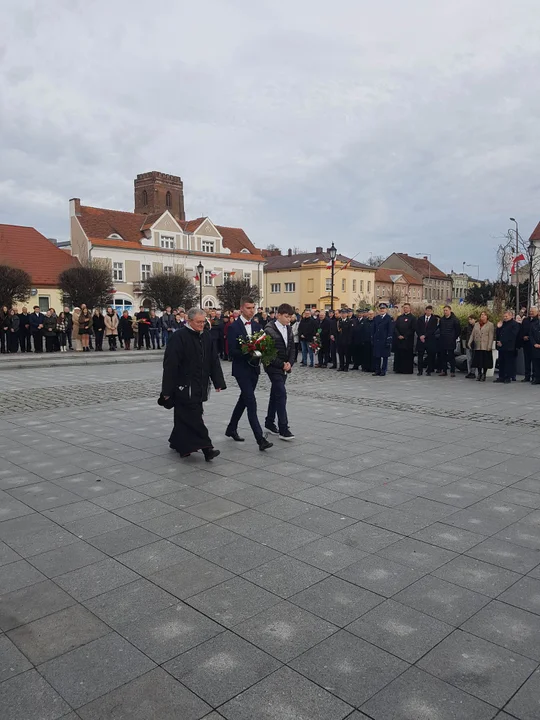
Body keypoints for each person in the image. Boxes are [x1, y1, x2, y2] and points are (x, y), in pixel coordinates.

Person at [162, 307, 226, 461]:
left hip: (201, 384)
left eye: (203, 322)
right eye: (198, 322)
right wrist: (167, 390)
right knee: (195, 416)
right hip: (184, 386)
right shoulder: (179, 337)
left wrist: (218, 381)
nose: (201, 325)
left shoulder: (207, 337)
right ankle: (207, 448)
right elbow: (170, 365)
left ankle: (177, 442)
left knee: (184, 416)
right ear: (189, 321)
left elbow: (213, 361)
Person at [225, 296, 273, 450]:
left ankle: (231, 428)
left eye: (253, 307)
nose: (251, 310)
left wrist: (262, 351)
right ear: (241, 309)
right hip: (241, 370)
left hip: (254, 369)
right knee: (251, 402)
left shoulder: (257, 326)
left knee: (244, 400)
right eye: (248, 308)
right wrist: (249, 350)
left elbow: (264, 346)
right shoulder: (234, 327)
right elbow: (232, 351)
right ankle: (260, 440)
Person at [263, 303, 296, 440]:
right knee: (281, 394)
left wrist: (290, 363)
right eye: (286, 317)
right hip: (273, 367)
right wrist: (281, 364)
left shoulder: (288, 329)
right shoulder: (269, 329)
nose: (288, 320)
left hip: (284, 367)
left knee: (275, 394)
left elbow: (293, 348)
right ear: (279, 315)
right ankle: (283, 428)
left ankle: (269, 422)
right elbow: (267, 352)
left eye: (290, 317)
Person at [468, 311, 494, 381]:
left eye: (484, 315)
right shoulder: (476, 324)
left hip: (485, 345)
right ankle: (479, 373)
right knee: (478, 360)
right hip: (478, 345)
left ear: (487, 316)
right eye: (481, 315)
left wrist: (489, 346)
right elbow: (473, 334)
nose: (482, 316)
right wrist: (469, 342)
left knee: (485, 361)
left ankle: (484, 374)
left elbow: (491, 336)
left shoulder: (490, 325)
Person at [495, 310, 520, 383]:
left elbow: (512, 335)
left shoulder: (514, 324)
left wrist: (503, 342)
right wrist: (498, 328)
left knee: (508, 362)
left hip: (509, 347)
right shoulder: (503, 323)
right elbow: (498, 334)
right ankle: (501, 376)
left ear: (511, 316)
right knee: (501, 361)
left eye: (506, 316)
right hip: (501, 346)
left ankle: (508, 377)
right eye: (504, 316)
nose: (505, 318)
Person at [393, 303, 417, 374]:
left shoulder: (413, 318)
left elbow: (413, 329)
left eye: (407, 307)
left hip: (408, 340)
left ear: (410, 308)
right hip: (399, 340)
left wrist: (405, 336)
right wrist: (398, 335)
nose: (405, 309)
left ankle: (406, 370)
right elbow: (395, 327)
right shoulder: (400, 317)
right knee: (399, 354)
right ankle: (398, 369)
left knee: (407, 355)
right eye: (404, 307)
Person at [437, 305, 461, 377]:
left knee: (451, 356)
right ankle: (444, 371)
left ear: (450, 310)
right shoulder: (442, 319)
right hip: (443, 340)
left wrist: (454, 337)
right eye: (444, 310)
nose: (445, 312)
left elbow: (458, 330)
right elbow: (440, 328)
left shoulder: (455, 320)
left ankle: (452, 371)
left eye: (446, 310)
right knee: (443, 356)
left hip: (451, 340)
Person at [372, 303, 394, 376]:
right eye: (381, 308)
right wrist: (373, 338)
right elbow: (374, 329)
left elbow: (390, 330)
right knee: (377, 356)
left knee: (384, 357)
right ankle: (377, 370)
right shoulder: (376, 318)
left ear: (386, 310)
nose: (382, 310)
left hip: (384, 340)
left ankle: (383, 370)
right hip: (377, 340)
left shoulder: (389, 318)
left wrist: (389, 340)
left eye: (383, 308)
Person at [416, 305, 438, 376]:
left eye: (430, 311)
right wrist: (420, 336)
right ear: (425, 311)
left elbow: (433, 329)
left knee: (430, 356)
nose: (428, 312)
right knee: (420, 356)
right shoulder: (420, 319)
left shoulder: (434, 319)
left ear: (432, 311)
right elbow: (417, 328)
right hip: (421, 340)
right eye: (427, 310)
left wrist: (425, 336)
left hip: (430, 340)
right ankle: (420, 370)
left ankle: (429, 370)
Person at [519, 307, 538, 383]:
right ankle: (527, 376)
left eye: (533, 311)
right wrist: (523, 337)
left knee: (534, 361)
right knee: (527, 361)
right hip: (526, 344)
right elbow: (522, 330)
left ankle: (534, 376)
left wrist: (530, 337)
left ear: (537, 312)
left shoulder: (537, 321)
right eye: (530, 311)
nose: (531, 313)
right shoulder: (525, 320)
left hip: (534, 344)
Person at [530, 308, 540, 385]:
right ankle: (537, 378)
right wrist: (534, 344)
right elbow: (531, 335)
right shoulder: (534, 324)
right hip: (535, 346)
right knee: (536, 363)